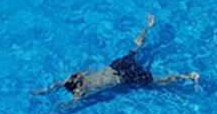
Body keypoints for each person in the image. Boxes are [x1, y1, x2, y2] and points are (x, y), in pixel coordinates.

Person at [32, 15, 199, 105]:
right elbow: (61, 83)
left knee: (157, 81)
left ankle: (188, 76)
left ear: (75, 89)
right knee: (135, 49)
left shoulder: (80, 93)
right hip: (117, 66)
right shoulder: (78, 76)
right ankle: (148, 26)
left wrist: (58, 109)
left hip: (125, 78)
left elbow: (70, 103)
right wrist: (43, 90)